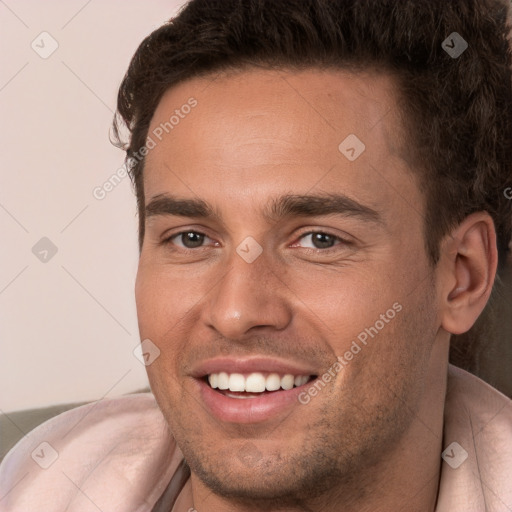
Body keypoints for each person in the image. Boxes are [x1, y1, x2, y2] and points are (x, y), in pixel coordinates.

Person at [1, 0, 511, 510]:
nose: (235, 313)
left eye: (319, 240)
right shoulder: (29, 483)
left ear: (462, 276)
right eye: (192, 238)